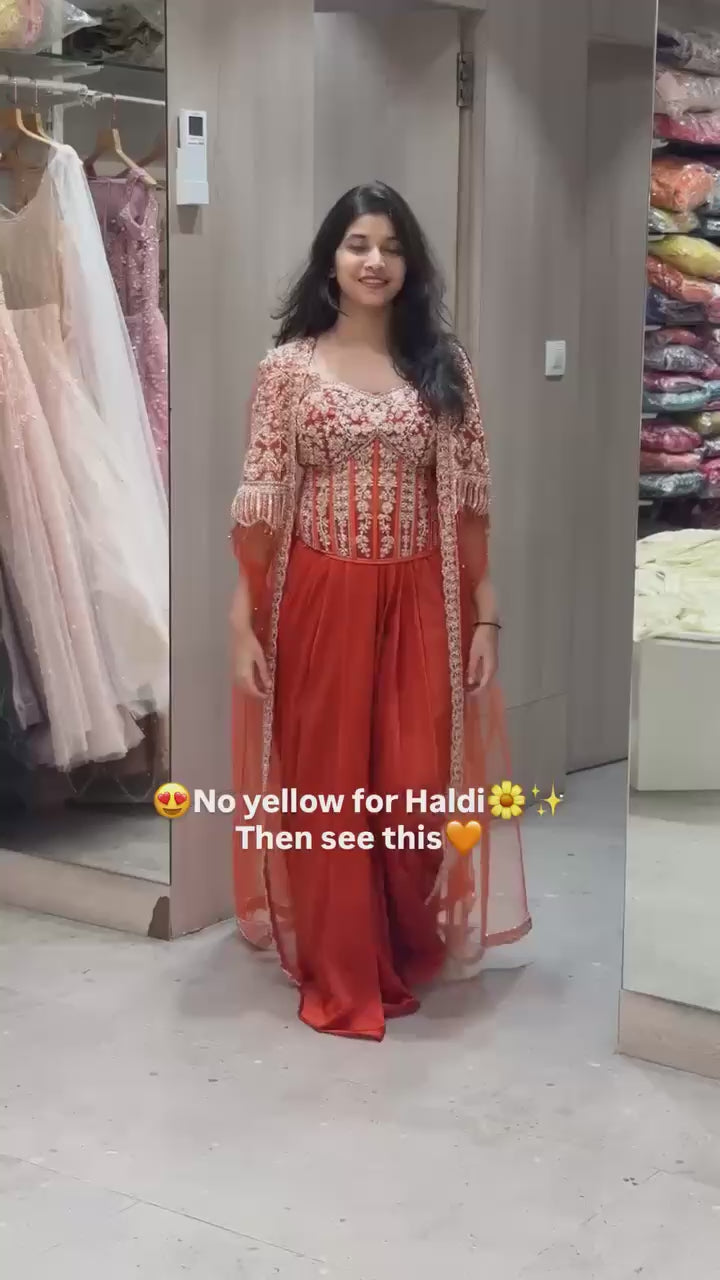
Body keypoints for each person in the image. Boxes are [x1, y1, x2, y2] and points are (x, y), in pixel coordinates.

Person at [230, 182, 531, 1040]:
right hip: (319, 601)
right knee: (326, 790)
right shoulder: (288, 370)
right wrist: (241, 621)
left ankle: (396, 937)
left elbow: (469, 508)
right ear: (331, 259)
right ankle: (342, 965)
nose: (375, 262)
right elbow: (261, 505)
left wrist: (485, 613)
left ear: (411, 265)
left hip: (420, 603)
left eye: (392, 248)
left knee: (411, 791)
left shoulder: (443, 368)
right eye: (358, 244)